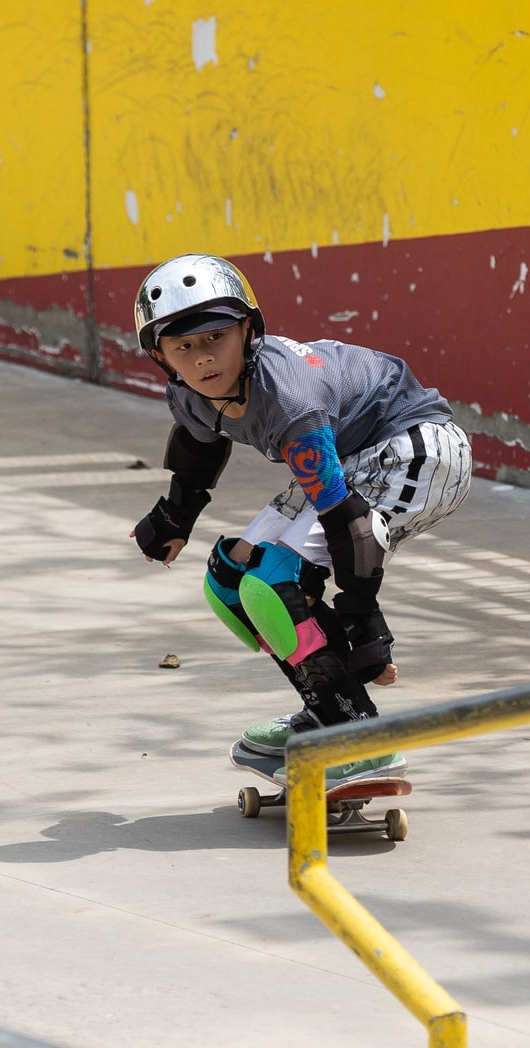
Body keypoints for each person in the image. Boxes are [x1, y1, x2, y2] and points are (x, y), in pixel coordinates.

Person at [128, 253, 471, 782]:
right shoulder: (189, 393)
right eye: (184, 347)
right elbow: (200, 446)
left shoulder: (288, 400)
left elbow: (349, 526)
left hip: (416, 450)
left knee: (273, 582)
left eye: (216, 338)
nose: (204, 359)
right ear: (160, 355)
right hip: (350, 455)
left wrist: (364, 625)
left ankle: (364, 742)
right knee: (231, 580)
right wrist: (175, 517)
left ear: (248, 330)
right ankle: (331, 711)